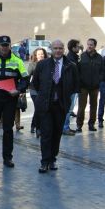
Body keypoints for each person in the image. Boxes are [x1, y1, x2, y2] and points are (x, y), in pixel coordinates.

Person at [31, 40, 79, 173]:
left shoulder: (71, 65)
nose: (58, 50)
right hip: (46, 105)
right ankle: (44, 161)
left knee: (57, 133)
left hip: (61, 105)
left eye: (60, 48)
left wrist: (66, 94)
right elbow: (35, 83)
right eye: (55, 48)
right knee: (46, 133)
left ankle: (52, 159)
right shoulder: (42, 65)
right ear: (51, 49)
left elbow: (75, 84)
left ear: (64, 49)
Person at [0, 35, 29, 168]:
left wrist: (18, 90)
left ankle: (7, 158)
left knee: (8, 129)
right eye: (2, 45)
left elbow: (25, 78)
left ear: (10, 45)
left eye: (6, 45)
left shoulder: (17, 60)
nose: (4, 47)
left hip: (10, 100)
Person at [75, 38, 103, 132]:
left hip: (95, 87)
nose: (89, 46)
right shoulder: (82, 56)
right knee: (81, 106)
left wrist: (99, 81)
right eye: (88, 44)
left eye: (91, 45)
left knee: (94, 106)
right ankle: (79, 125)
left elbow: (102, 71)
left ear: (95, 46)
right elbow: (77, 71)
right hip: (83, 86)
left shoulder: (99, 57)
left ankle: (91, 124)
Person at [62, 39, 81, 135]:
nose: (79, 48)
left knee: (68, 109)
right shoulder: (71, 58)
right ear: (73, 47)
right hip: (71, 88)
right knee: (68, 109)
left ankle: (65, 127)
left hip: (72, 87)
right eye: (78, 46)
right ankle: (65, 128)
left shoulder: (73, 57)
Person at [28, 47, 48, 136]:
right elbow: (27, 76)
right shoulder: (32, 64)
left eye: (42, 54)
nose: (41, 55)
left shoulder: (48, 63)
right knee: (39, 107)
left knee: (39, 108)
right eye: (39, 54)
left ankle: (33, 125)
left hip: (44, 90)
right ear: (35, 55)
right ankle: (38, 129)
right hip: (34, 90)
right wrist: (23, 89)